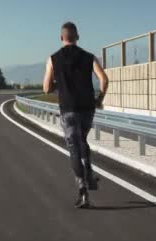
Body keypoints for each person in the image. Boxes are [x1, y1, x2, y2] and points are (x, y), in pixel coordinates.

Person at [43, 22, 109, 208]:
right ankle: (88, 169)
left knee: (73, 147)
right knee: (83, 139)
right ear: (77, 37)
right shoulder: (89, 57)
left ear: (61, 38)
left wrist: (61, 86)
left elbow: (46, 87)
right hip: (87, 109)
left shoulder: (53, 59)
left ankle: (83, 190)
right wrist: (99, 99)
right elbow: (104, 79)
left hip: (68, 109)